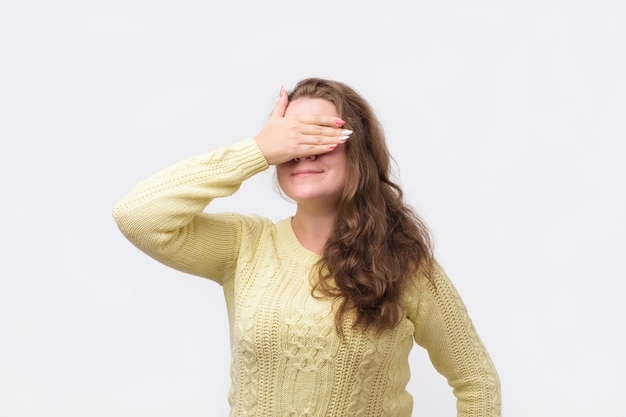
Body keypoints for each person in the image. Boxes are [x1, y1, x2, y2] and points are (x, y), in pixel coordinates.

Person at [113, 77, 501, 417]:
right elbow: (136, 215)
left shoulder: (405, 264)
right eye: (292, 139)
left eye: (321, 135)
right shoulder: (244, 246)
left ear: (357, 149)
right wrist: (257, 151)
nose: (305, 152)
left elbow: (476, 381)